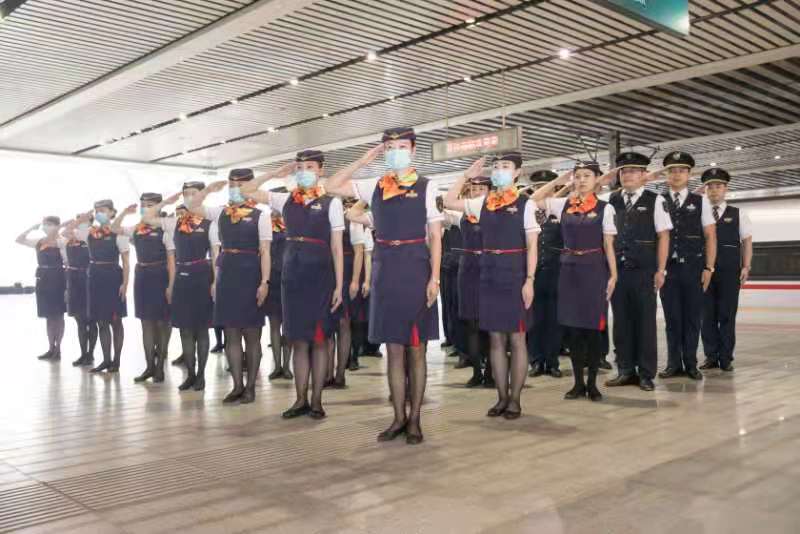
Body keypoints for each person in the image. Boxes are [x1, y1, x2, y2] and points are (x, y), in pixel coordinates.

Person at [324, 127, 442, 445]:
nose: (394, 152)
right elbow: (331, 185)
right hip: (385, 268)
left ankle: (415, 420)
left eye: (401, 146)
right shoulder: (374, 185)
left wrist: (434, 277)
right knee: (393, 349)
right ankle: (398, 418)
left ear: (412, 150)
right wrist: (364, 160)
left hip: (415, 267)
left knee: (416, 348)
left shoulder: (426, 186)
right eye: (389, 147)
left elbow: (435, 236)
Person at [240, 152, 343, 420]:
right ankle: (300, 400)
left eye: (309, 167)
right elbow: (247, 190)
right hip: (292, 274)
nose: (303, 172)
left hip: (320, 275)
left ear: (321, 170)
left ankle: (317, 400)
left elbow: (336, 248)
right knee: (297, 340)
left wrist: (339, 286)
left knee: (319, 340)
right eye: (299, 168)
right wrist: (275, 174)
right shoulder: (284, 199)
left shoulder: (331, 202)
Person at [445, 153, 539, 418]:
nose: (499, 170)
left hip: (514, 274)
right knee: (495, 338)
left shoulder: (525, 204)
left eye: (505, 167)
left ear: (517, 173)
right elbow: (449, 201)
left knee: (517, 338)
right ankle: (501, 397)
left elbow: (532, 245)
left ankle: (515, 399)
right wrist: (466, 175)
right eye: (495, 167)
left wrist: (530, 280)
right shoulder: (482, 202)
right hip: (488, 274)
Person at [533, 162, 618, 402]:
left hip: (594, 270)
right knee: (573, 330)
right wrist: (559, 181)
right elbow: (535, 200)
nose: (581, 180)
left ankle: (592, 384)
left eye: (586, 176)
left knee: (592, 329)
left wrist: (614, 275)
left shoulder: (605, 208)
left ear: (596, 179)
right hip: (568, 270)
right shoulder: (563, 204)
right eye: (578, 176)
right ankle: (578, 383)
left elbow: (609, 245)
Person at [185, 169, 272, 404]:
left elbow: (265, 251)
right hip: (227, 274)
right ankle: (237, 386)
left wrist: (265, 282)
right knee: (231, 333)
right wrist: (207, 190)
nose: (235, 189)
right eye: (232, 185)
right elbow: (193, 206)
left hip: (250, 273)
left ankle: (251, 387)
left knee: (252, 334)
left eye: (240, 185)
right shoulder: (221, 212)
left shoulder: (261, 215)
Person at [604, 152, 672, 392]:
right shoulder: (613, 200)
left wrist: (661, 270)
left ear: (644, 174)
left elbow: (664, 236)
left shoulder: (656, 200)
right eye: (623, 171)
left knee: (645, 323)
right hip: (618, 272)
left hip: (645, 272)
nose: (627, 175)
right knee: (621, 322)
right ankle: (625, 370)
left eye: (633, 171)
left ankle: (645, 373)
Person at [141, 186, 219, 391]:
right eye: (186, 194)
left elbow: (215, 255)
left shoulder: (209, 224)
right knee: (184, 329)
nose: (189, 197)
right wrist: (165, 203)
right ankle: (190, 374)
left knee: (201, 329)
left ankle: (201, 375)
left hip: (202, 276)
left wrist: (215, 281)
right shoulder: (174, 223)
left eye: (194, 193)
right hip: (182, 278)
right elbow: (148, 218)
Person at [656, 152, 717, 381]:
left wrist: (709, 268)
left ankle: (690, 364)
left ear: (689, 174)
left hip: (693, 268)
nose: (676, 174)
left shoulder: (701, 201)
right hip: (668, 270)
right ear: (666, 175)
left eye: (681, 170)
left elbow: (710, 236)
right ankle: (673, 364)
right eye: (672, 170)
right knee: (672, 319)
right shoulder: (658, 201)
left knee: (692, 319)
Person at [112, 194, 174, 384]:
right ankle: (149, 367)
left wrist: (171, 285)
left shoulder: (166, 228)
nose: (144, 208)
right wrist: (124, 213)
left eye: (149, 205)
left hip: (160, 274)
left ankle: (160, 366)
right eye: (143, 205)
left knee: (162, 323)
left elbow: (172, 261)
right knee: (146, 323)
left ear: (158, 207)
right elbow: (114, 228)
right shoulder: (137, 229)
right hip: (142, 276)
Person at [699, 168, 753, 372]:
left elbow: (747, 242)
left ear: (726, 189)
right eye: (710, 186)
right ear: (705, 190)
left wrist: (746, 266)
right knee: (707, 316)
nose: (714, 190)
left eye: (718, 186)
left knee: (727, 315)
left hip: (729, 272)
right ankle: (711, 356)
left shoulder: (738, 214)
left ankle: (726, 358)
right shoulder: (699, 213)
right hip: (704, 272)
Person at [444, 176, 494, 387]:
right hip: (468, 270)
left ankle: (491, 373)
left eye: (481, 189)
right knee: (471, 323)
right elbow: (445, 202)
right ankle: (476, 372)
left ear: (490, 192)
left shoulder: (496, 212)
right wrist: (462, 180)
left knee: (490, 324)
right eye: (473, 189)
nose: (476, 192)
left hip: (490, 267)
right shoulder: (461, 214)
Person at [77, 201, 129, 373]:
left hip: (113, 276)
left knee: (116, 321)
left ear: (112, 212)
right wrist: (82, 219)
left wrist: (125, 284)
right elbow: (67, 232)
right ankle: (106, 360)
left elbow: (126, 262)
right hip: (95, 277)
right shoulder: (90, 232)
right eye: (97, 211)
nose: (99, 213)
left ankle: (117, 360)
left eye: (103, 210)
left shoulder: (119, 233)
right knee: (101, 321)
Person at [527, 173, 565, 379]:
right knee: (534, 318)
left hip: (555, 271)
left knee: (553, 319)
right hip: (533, 273)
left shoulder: (559, 209)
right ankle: (536, 360)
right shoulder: (528, 210)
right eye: (537, 186)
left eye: (546, 186)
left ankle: (552, 362)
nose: (540, 190)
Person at [16, 216, 68, 361]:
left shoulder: (61, 241)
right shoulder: (39, 242)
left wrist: (67, 286)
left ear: (56, 226)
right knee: (48, 316)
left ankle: (58, 348)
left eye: (49, 224)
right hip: (43, 279)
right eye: (45, 224)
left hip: (58, 278)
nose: (46, 227)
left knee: (58, 315)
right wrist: (32, 228)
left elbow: (67, 262)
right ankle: (51, 347)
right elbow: (19, 239)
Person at [62, 215, 98, 366]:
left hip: (88, 278)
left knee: (91, 320)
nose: (79, 223)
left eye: (83, 220)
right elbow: (64, 232)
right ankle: (83, 353)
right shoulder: (71, 238)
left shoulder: (92, 234)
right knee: (79, 320)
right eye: (78, 220)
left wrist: (83, 221)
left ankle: (91, 354)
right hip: (73, 279)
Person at [264, 191, 293, 381]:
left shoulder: (292, 222)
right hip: (272, 278)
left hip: (289, 278)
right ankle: (276, 366)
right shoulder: (265, 223)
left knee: (288, 325)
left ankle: (287, 366)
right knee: (274, 324)